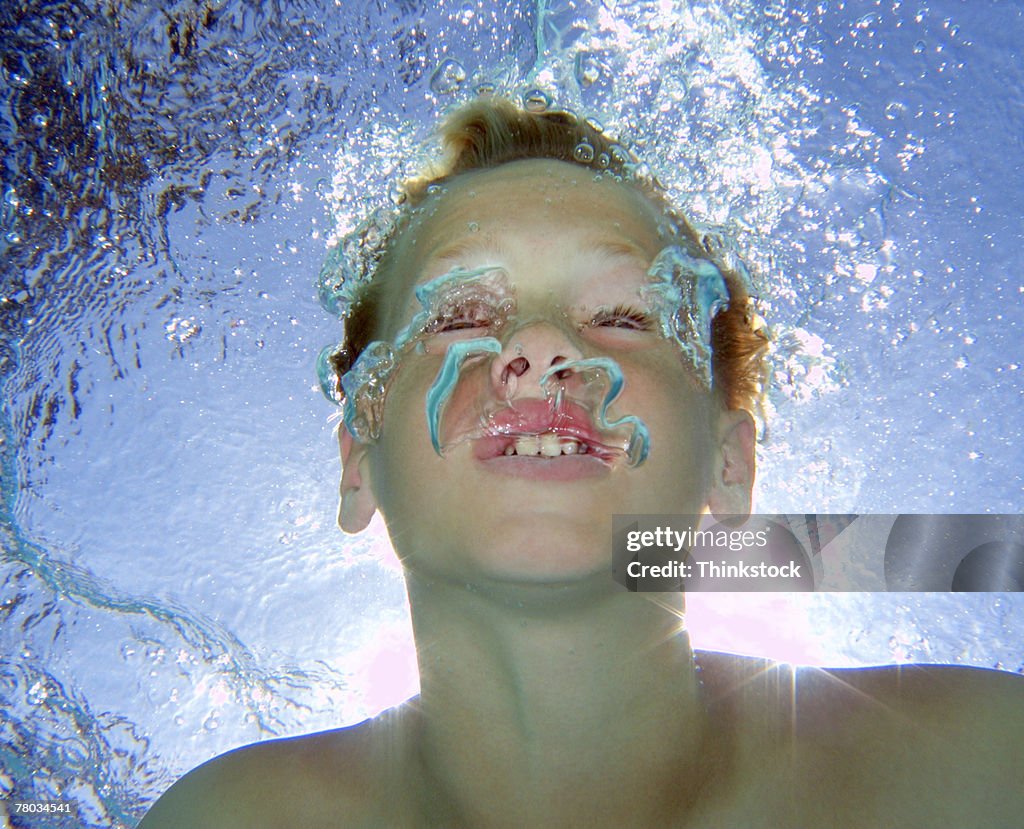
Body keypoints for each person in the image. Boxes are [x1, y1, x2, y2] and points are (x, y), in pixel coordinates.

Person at [140, 99, 1023, 828]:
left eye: (625, 316)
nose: (536, 344)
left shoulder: (989, 767)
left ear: (730, 461)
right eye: (457, 315)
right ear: (357, 459)